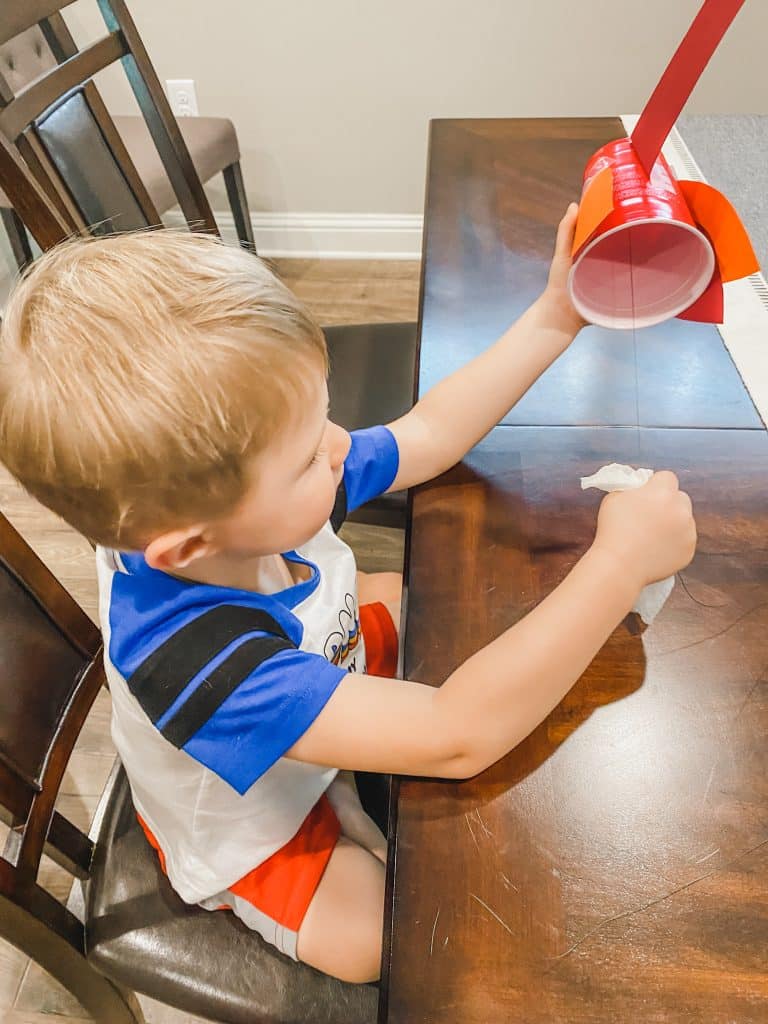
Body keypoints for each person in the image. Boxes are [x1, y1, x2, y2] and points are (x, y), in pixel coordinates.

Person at [0, 207, 696, 983]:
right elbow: (456, 732)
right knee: (386, 942)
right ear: (191, 545)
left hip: (315, 665)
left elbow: (425, 437)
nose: (340, 448)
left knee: (442, 602)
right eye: (307, 456)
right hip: (257, 821)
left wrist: (554, 315)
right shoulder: (192, 660)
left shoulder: (229, 507)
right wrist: (620, 561)